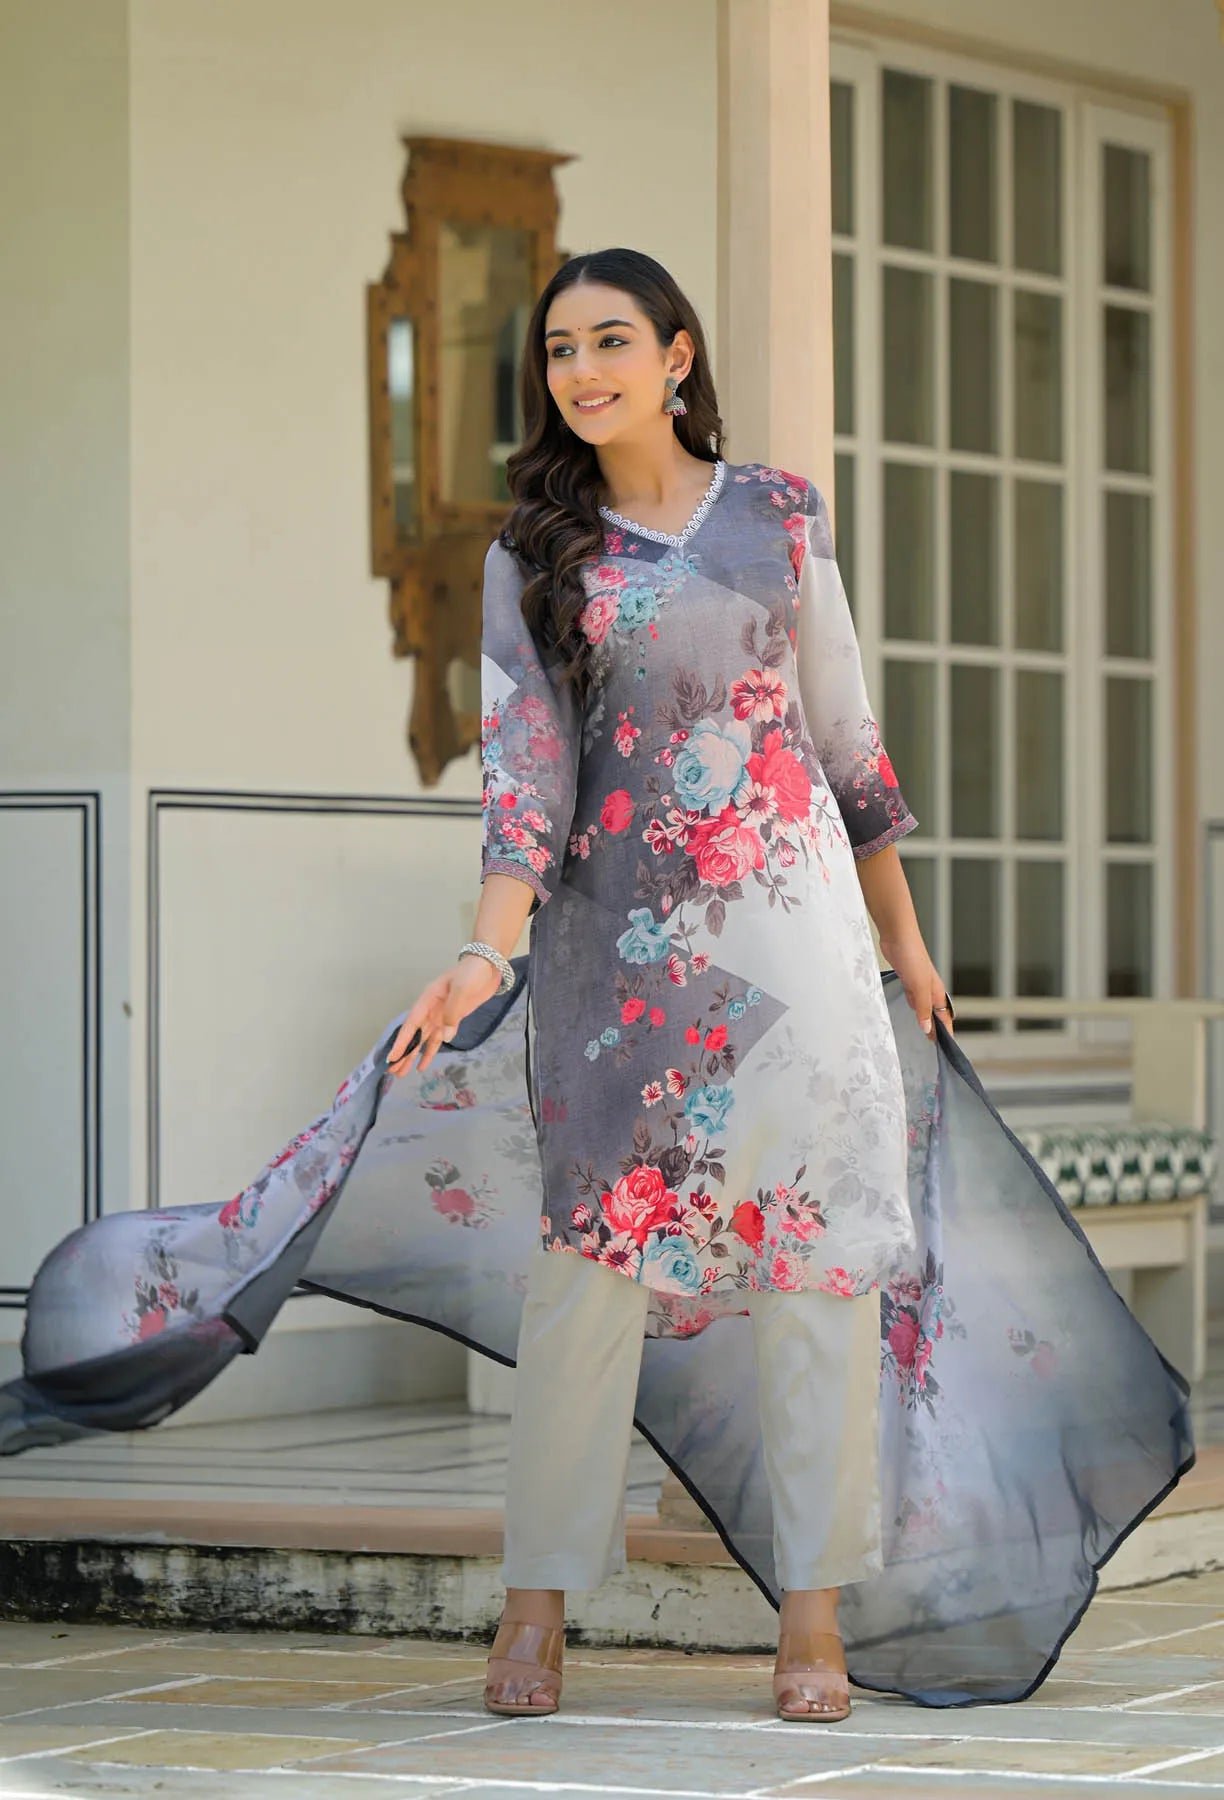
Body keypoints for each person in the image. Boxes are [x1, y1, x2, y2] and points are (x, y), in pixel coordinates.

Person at [388, 247, 953, 1724]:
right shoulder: (538, 557)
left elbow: (846, 740)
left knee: (819, 1262)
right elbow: (528, 775)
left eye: (613, 340)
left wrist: (901, 937)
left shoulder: (776, 517)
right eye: (561, 350)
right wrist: (485, 944)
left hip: (799, 942)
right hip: (619, 961)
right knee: (589, 1267)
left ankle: (813, 1619)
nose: (584, 371)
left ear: (679, 354)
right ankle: (537, 1603)